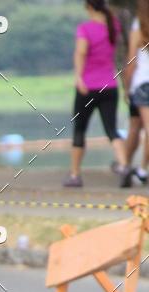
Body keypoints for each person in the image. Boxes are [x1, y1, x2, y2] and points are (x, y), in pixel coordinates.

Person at [64, 0, 127, 187]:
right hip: (110, 86)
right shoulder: (113, 26)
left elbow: (81, 53)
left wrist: (78, 77)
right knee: (112, 130)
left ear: (89, 7)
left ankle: (75, 175)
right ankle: (124, 166)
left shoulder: (86, 28)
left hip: (88, 86)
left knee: (79, 130)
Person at [121, 3, 149, 186]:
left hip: (141, 84)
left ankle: (130, 167)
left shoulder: (138, 27)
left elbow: (131, 62)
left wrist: (126, 87)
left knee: (136, 127)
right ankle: (137, 168)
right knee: (138, 126)